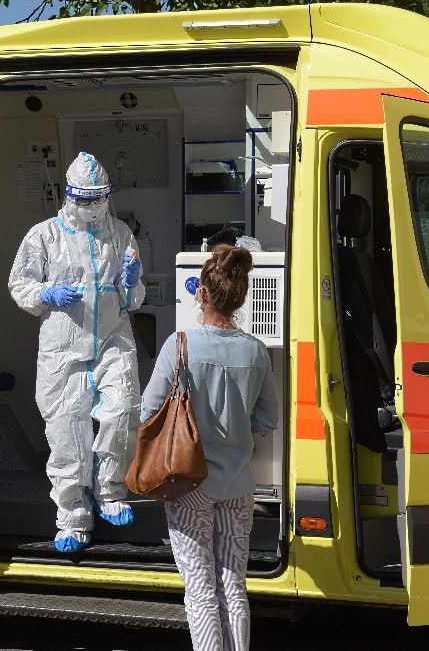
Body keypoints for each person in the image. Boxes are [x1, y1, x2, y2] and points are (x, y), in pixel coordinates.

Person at [140, 244, 279, 650]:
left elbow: (150, 408)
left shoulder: (179, 346)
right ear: (239, 298)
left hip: (188, 485)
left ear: (201, 294)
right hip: (238, 486)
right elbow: (268, 418)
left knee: (200, 591)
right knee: (233, 586)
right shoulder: (255, 351)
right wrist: (238, 433)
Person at [9, 151, 145, 553]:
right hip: (63, 347)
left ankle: (109, 491)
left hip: (113, 339)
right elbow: (20, 286)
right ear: (70, 197)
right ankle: (72, 517)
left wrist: (132, 282)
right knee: (67, 432)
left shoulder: (120, 233)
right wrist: (46, 293)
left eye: (98, 198)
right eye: (84, 199)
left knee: (122, 412)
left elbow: (133, 297)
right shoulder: (43, 235)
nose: (91, 206)